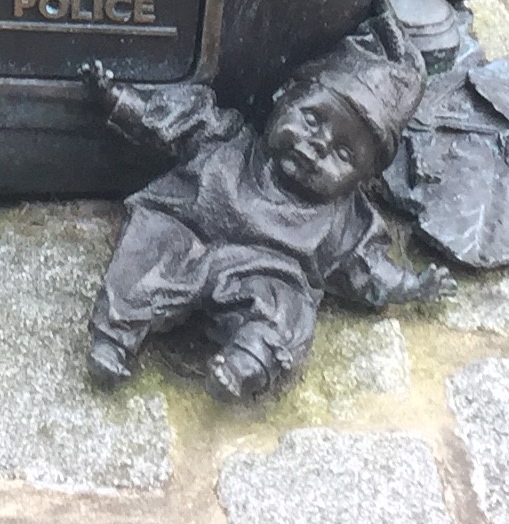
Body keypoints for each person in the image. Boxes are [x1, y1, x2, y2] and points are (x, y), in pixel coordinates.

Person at [83, 27, 445, 401]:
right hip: (185, 233)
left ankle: (244, 365)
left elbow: (363, 266)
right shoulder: (225, 136)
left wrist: (407, 285)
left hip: (262, 273)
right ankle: (114, 338)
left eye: (343, 154)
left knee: (290, 311)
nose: (318, 145)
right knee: (147, 248)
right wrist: (116, 100)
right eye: (311, 120)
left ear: (362, 179)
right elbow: (164, 123)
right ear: (283, 96)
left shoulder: (339, 218)